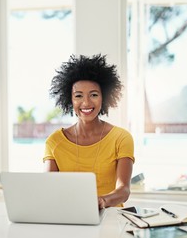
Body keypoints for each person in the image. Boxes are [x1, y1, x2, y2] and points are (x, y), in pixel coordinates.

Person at [43, 54, 135, 209]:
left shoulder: (121, 138)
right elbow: (48, 189)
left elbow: (123, 190)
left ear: (104, 97)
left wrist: (103, 201)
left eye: (94, 95)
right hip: (71, 218)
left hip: (111, 219)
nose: (86, 102)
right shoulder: (55, 142)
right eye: (78, 96)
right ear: (70, 100)